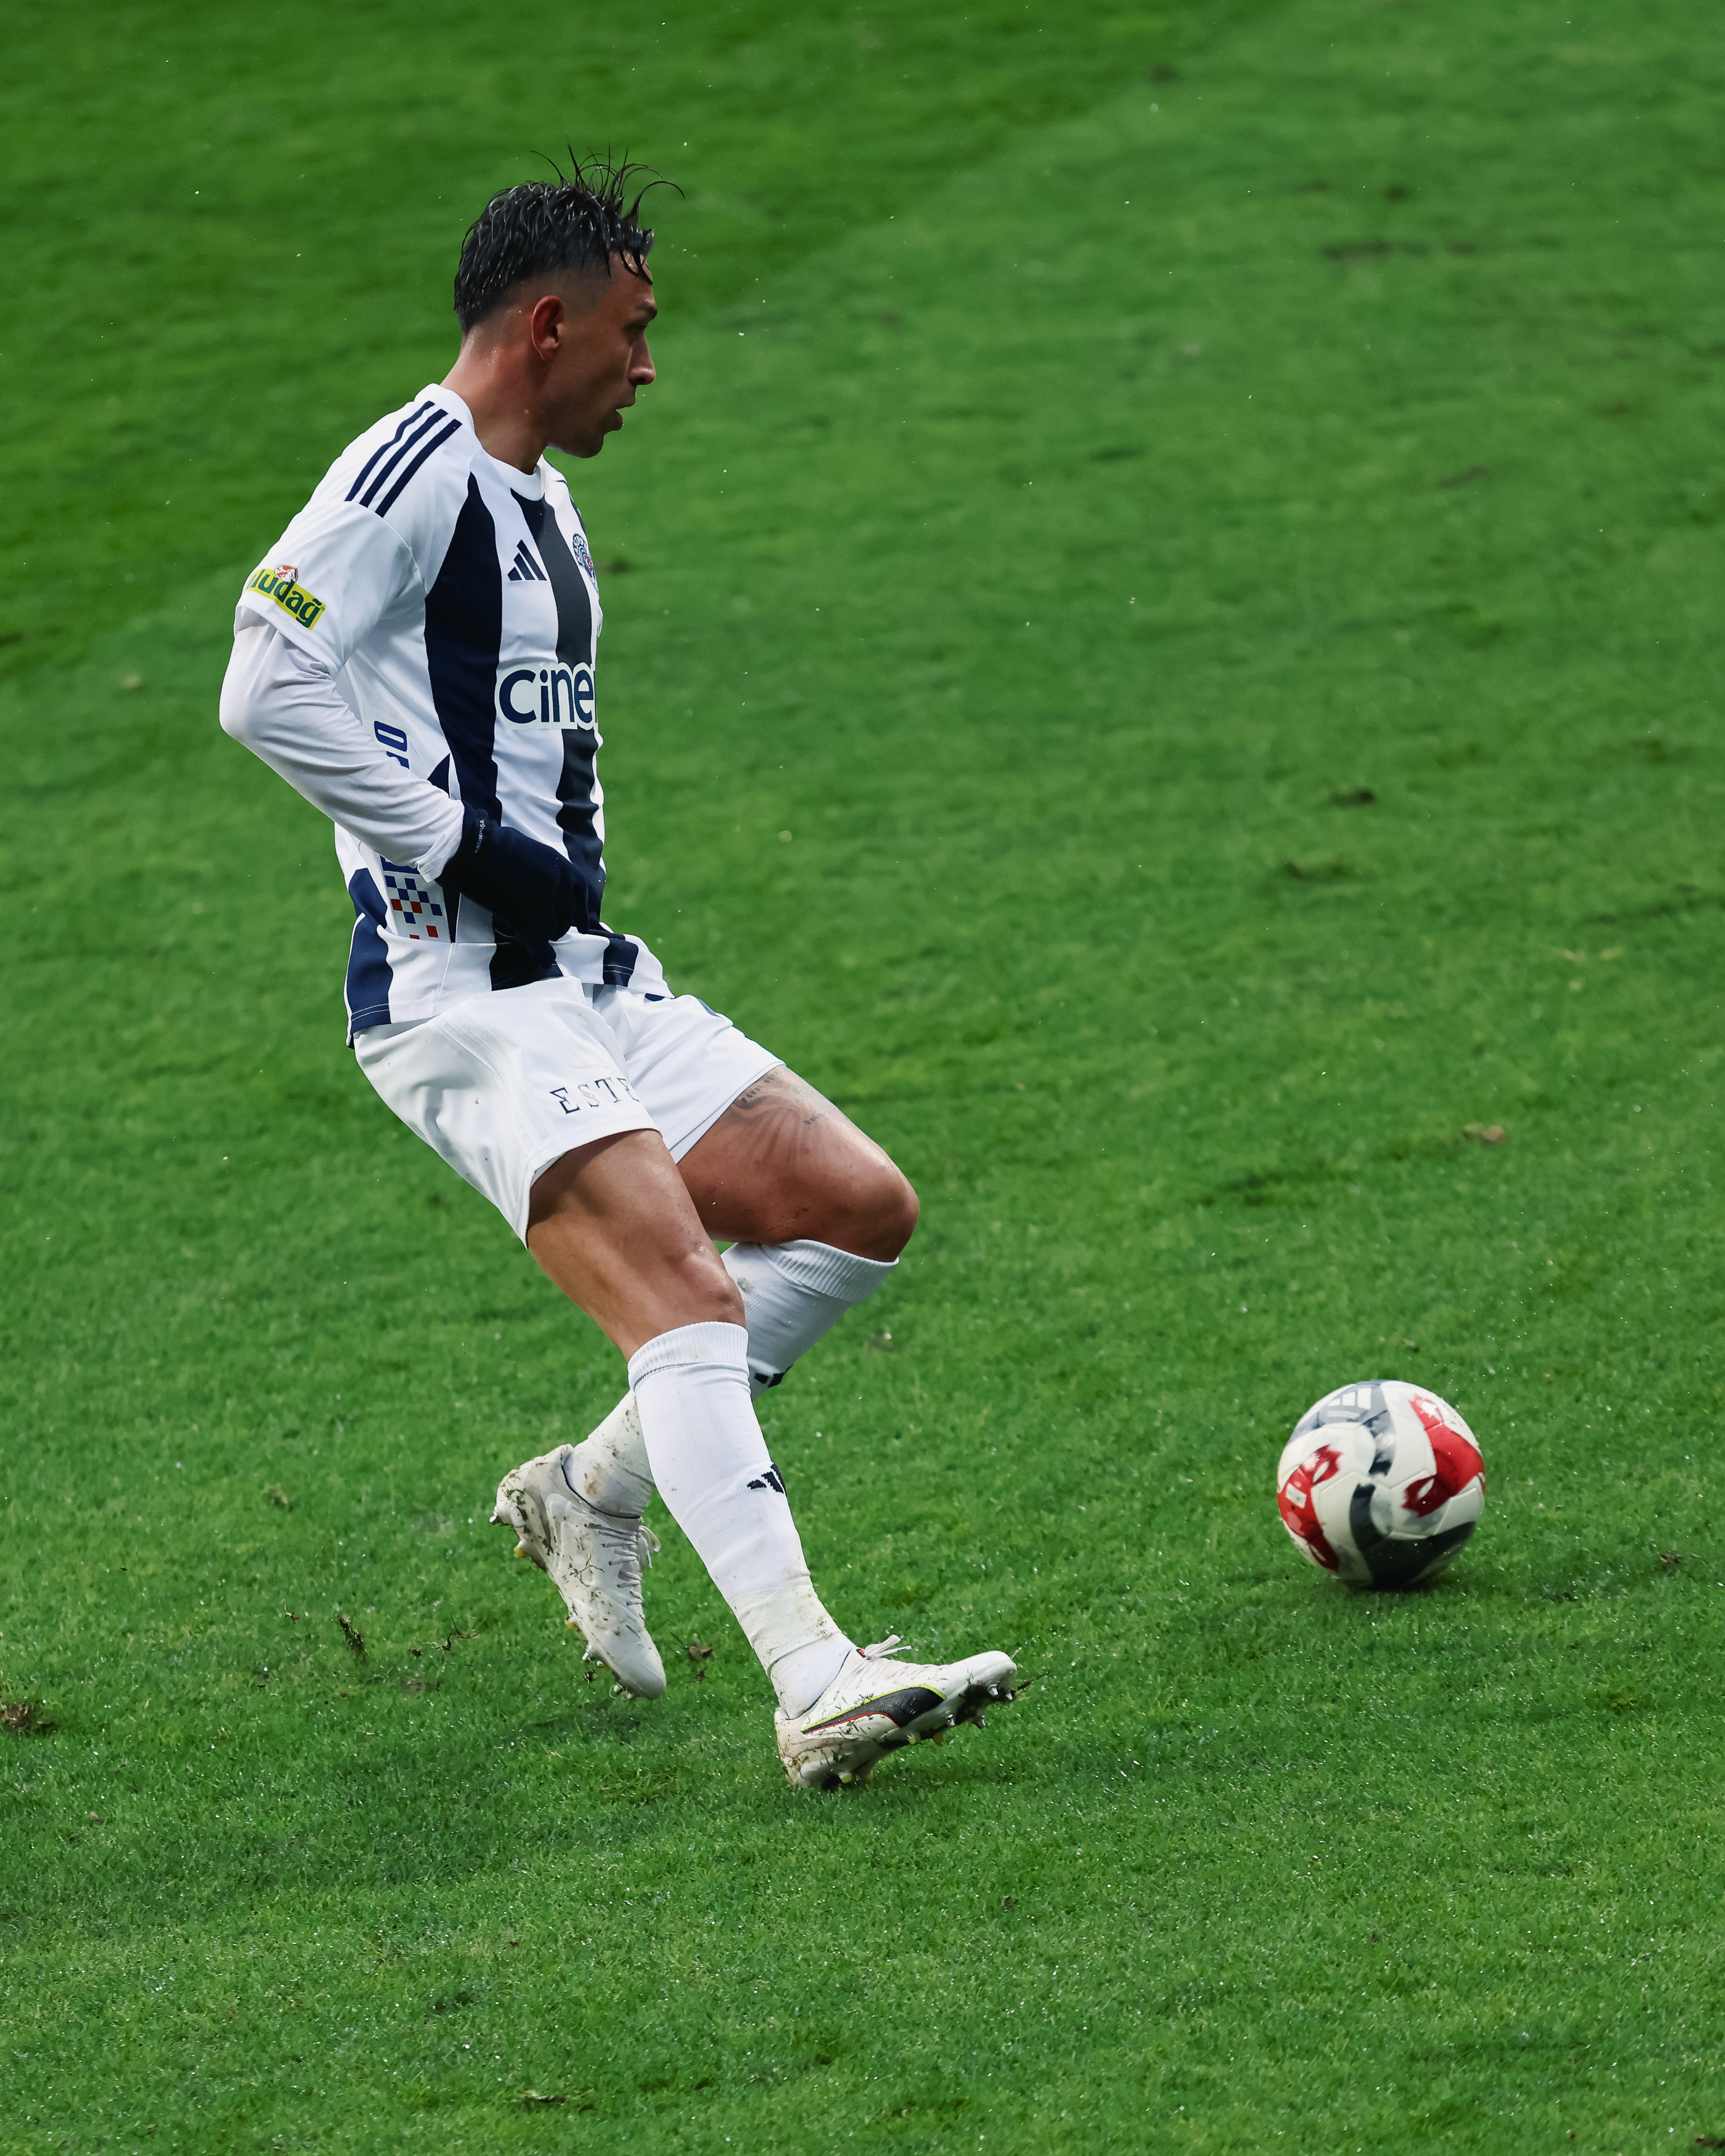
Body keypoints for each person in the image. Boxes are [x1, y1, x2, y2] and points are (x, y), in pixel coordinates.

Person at [218, 161, 1016, 1789]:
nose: (649, 367)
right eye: (634, 332)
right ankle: (815, 1682)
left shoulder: (543, 497)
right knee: (689, 1298)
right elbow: (262, 675)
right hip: (463, 995)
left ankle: (591, 1494)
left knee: (855, 1208)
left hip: (583, 977)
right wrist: (451, 840)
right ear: (548, 323)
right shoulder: (407, 471)